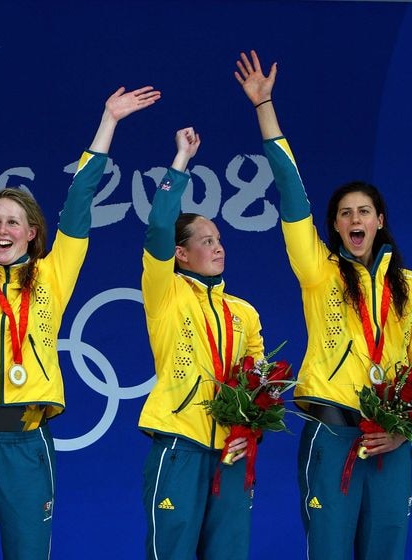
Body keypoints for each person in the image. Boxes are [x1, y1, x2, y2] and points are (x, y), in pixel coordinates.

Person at [0, 78, 159, 559]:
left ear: (31, 232)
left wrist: (107, 121)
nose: (2, 229)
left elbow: (81, 202)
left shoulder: (54, 275)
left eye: (12, 222)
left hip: (28, 444)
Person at [235, 50, 412, 559]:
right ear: (336, 227)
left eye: (363, 211)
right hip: (331, 436)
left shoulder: (409, 284)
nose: (354, 218)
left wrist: (403, 426)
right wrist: (265, 108)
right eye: (345, 213)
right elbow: (292, 194)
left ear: (379, 220)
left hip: (391, 443)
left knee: (386, 552)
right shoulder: (318, 271)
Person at [138, 127, 265, 560]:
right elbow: (158, 225)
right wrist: (181, 162)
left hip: (231, 451)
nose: (218, 247)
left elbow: (260, 383)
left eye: (220, 240)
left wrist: (251, 430)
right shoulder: (164, 292)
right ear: (180, 253)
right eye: (206, 240)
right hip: (180, 446)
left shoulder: (244, 312)